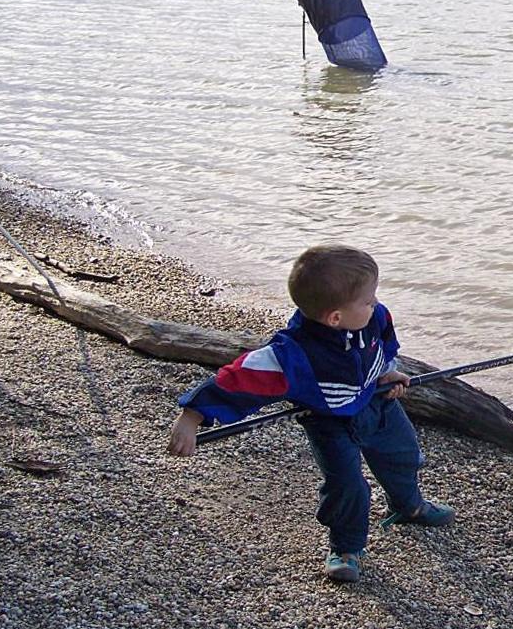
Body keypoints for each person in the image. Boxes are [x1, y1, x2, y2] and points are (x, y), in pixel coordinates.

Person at [168, 244, 454, 583]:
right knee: (346, 485)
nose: (375, 303)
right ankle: (345, 547)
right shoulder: (291, 354)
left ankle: (409, 505)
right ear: (335, 317)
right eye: (368, 299)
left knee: (402, 455)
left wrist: (387, 373)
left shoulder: (374, 317)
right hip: (329, 423)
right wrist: (191, 417)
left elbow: (384, 345)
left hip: (378, 404)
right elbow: (235, 379)